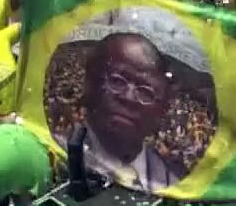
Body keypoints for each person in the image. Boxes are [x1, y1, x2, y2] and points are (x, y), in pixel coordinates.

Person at [77, 32, 181, 191]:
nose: (128, 97)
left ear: (161, 111)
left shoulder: (175, 185)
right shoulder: (54, 151)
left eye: (146, 93)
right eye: (117, 81)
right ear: (90, 83)